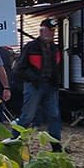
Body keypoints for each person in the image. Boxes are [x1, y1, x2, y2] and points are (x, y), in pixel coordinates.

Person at [13, 19, 64, 151]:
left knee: (54, 115)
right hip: (34, 86)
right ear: (42, 31)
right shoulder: (31, 47)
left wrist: (56, 81)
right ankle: (14, 141)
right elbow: (19, 68)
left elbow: (57, 67)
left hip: (50, 86)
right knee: (28, 115)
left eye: (53, 30)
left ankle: (56, 145)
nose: (52, 33)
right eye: (49, 30)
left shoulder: (55, 48)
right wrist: (33, 78)